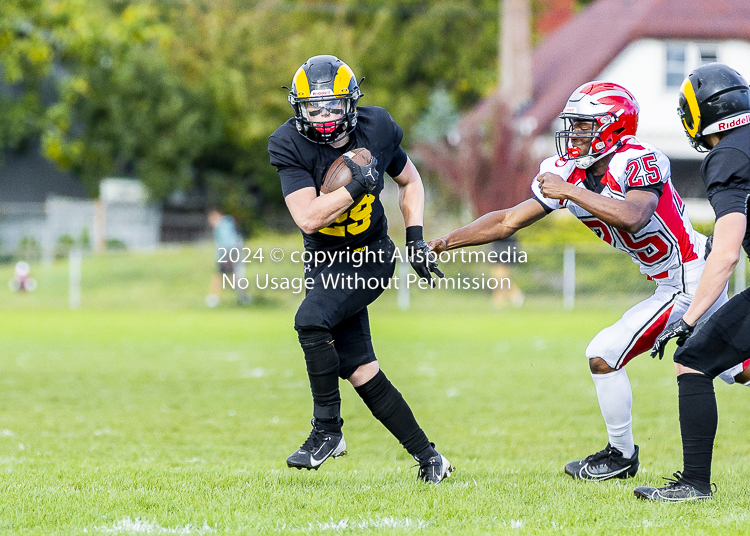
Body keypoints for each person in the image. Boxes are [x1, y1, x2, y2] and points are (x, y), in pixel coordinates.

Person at [429, 81, 746, 482]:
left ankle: (621, 456)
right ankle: (622, 455)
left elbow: (635, 215)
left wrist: (571, 193)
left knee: (604, 353)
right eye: (573, 125)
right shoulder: (567, 172)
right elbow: (508, 219)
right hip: (674, 280)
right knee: (734, 371)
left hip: (689, 277)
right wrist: (441, 243)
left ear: (612, 127)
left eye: (583, 125)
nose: (574, 134)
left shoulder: (638, 159)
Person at [267, 55, 451, 483]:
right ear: (299, 108)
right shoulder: (287, 143)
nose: (325, 116)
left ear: (351, 103)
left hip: (371, 255)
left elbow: (411, 181)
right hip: (325, 261)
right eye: (315, 107)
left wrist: (416, 237)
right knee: (359, 368)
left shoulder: (378, 127)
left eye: (333, 105)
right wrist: (356, 185)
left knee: (310, 320)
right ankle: (431, 459)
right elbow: (309, 218)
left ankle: (327, 431)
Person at [635, 63, 750, 502]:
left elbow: (725, 253)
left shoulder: (729, 156)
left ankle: (695, 484)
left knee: (694, 359)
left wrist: (689, 320)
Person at [206, 208, 250, 307]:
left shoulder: (222, 226)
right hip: (231, 254)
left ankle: (213, 298)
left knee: (220, 276)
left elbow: (228, 243)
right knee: (233, 276)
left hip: (229, 255)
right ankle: (243, 297)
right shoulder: (227, 223)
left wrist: (228, 257)